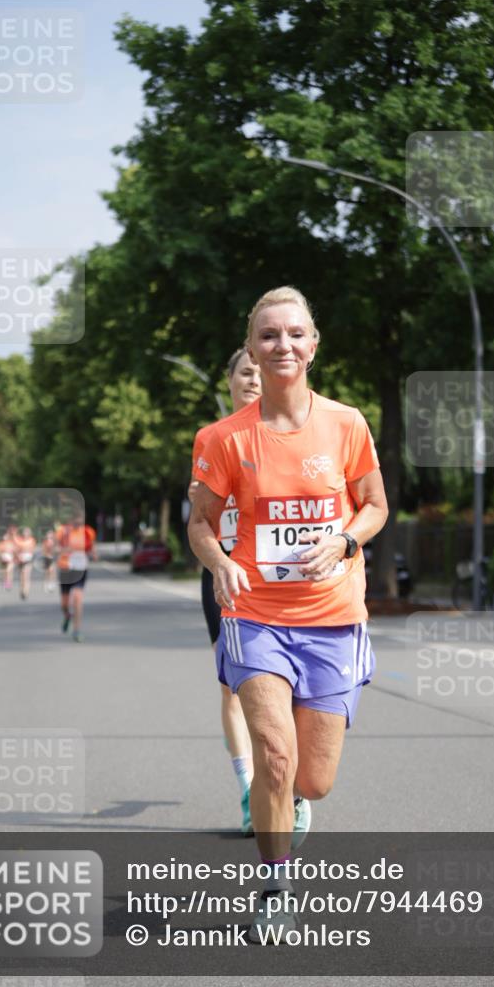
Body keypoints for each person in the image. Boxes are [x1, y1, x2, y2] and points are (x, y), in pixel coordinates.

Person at [188, 286, 388, 941]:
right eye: (268, 336)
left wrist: (345, 538)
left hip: (332, 618)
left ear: (313, 343)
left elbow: (375, 506)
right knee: (274, 757)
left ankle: (289, 800)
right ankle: (275, 885)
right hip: (255, 618)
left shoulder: (346, 424)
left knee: (312, 779)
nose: (281, 346)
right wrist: (218, 561)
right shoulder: (220, 438)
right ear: (250, 348)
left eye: (294, 334)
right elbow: (198, 521)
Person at [190, 347, 261, 836]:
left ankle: (279, 779)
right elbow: (199, 515)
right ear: (231, 380)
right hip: (224, 575)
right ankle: (248, 786)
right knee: (233, 688)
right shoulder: (213, 439)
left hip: (276, 578)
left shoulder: (290, 432)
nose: (254, 379)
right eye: (245, 371)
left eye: (260, 372)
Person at [55, 512, 98, 642]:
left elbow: (92, 549)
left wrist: (94, 555)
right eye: (76, 517)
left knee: (78, 598)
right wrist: (63, 550)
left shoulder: (88, 532)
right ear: (70, 518)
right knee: (64, 603)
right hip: (66, 568)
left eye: (81, 517)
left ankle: (77, 630)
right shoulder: (62, 531)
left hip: (81, 569)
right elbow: (55, 548)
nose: (78, 520)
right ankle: (67, 615)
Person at [14, 526, 37, 600]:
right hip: (20, 560)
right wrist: (18, 556)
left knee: (26, 575)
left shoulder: (32, 540)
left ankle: (25, 592)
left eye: (27, 532)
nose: (25, 534)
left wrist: (29, 555)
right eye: (24, 532)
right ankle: (21, 589)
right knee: (22, 576)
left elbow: (33, 550)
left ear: (29, 533)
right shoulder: (19, 540)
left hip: (28, 560)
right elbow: (16, 549)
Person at [0, 526, 17, 590]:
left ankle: (8, 584)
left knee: (8, 571)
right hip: (3, 560)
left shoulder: (12, 543)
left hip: (11, 560)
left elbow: (15, 552)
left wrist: (15, 558)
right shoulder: (1, 544)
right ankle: (7, 583)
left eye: (7, 537)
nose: (5, 538)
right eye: (5, 537)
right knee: (6, 572)